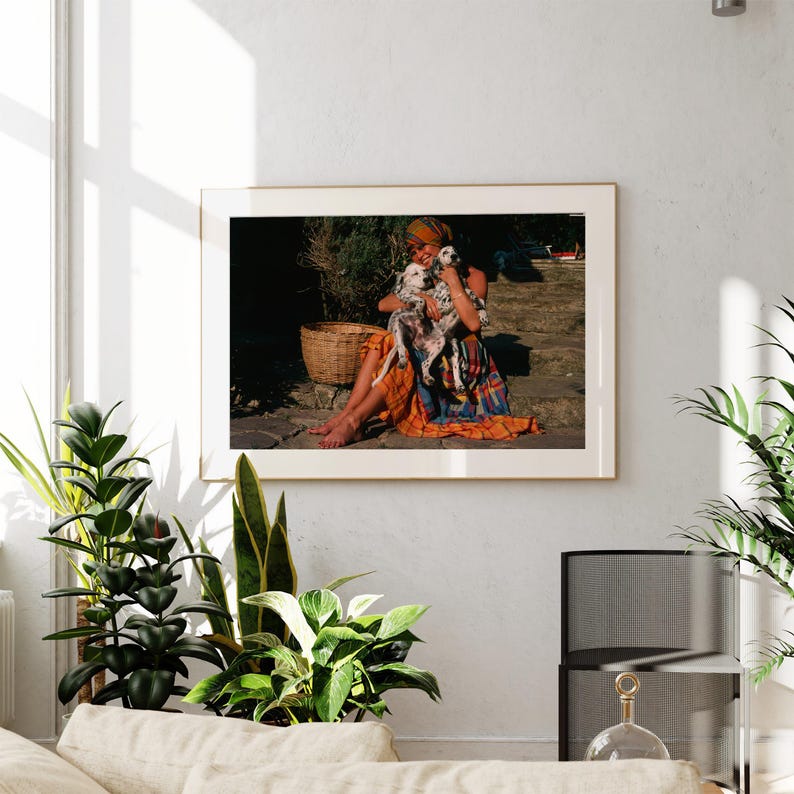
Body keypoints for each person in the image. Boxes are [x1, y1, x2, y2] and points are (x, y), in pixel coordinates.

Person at [309, 216, 540, 448]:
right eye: (412, 251)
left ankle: (354, 421)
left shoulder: (475, 276)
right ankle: (347, 414)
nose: (419, 255)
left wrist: (452, 280)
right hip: (428, 344)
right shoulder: (422, 275)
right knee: (383, 339)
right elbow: (384, 303)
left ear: (440, 244)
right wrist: (420, 297)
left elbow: (473, 324)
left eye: (423, 246)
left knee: (405, 354)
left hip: (460, 353)